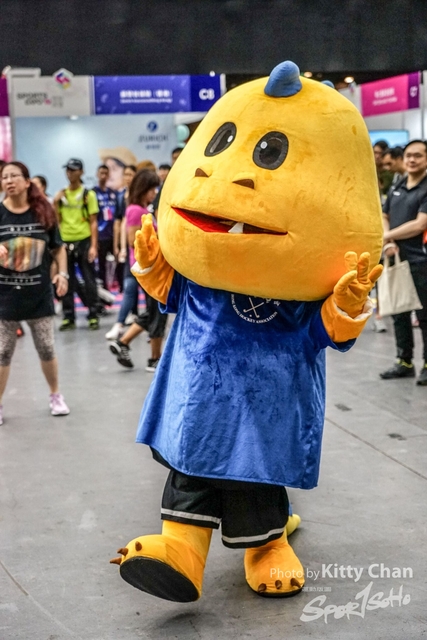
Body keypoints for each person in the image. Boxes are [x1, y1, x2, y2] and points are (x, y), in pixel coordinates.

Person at [0, 161, 70, 424]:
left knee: (46, 348)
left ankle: (55, 395)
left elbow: (58, 248)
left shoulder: (43, 212)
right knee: (2, 352)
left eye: (14, 176)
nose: (9, 181)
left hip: (38, 294)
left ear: (27, 181)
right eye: (4, 177)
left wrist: (62, 274)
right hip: (5, 296)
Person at [108, 170, 167, 370]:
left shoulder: (141, 209)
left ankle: (123, 342)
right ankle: (154, 358)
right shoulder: (135, 210)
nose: (154, 193)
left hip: (152, 268)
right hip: (149, 269)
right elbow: (135, 241)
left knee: (153, 311)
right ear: (144, 189)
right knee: (158, 312)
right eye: (152, 189)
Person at [380, 139, 427, 385]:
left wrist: (388, 236)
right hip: (396, 256)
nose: (412, 160)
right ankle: (404, 362)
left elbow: (420, 224)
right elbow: (384, 214)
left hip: (420, 260)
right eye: (409, 155)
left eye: (418, 155)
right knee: (399, 311)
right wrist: (388, 241)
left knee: (424, 314)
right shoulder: (398, 185)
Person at [54, 159, 100, 331]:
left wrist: (93, 246)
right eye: (67, 170)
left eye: (73, 170)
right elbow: (57, 221)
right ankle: (68, 316)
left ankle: (93, 314)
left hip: (84, 240)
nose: (69, 173)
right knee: (67, 279)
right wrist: (55, 203)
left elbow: (93, 222)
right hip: (65, 242)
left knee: (89, 280)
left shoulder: (88, 195)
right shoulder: (61, 195)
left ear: (81, 172)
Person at [92, 164, 118, 290]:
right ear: (97, 174)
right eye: (101, 173)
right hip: (100, 236)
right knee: (101, 264)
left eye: (105, 173)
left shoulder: (113, 193)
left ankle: (118, 288)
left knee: (118, 263)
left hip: (113, 235)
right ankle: (103, 290)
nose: (103, 176)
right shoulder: (92, 193)